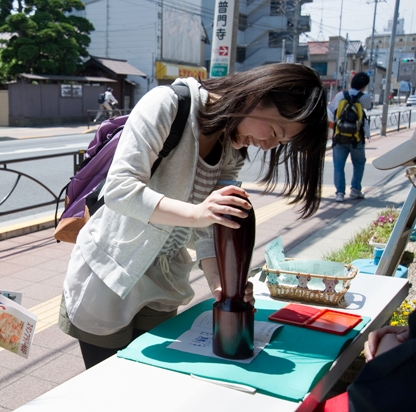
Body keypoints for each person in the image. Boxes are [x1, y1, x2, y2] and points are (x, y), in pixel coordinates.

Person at [59, 63, 328, 369]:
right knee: (106, 386)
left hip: (162, 281)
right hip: (109, 276)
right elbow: (120, 190)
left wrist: (222, 284)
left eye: (280, 143)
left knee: (147, 385)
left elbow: (211, 227)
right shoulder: (167, 104)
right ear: (257, 96)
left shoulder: (231, 145)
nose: (267, 146)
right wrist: (198, 212)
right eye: (276, 132)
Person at [328, 73, 373, 202]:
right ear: (364, 86)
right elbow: (368, 107)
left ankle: (340, 193)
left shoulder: (340, 95)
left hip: (339, 137)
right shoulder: (365, 98)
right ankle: (355, 190)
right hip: (357, 138)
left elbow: (330, 111)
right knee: (359, 163)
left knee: (338, 165)